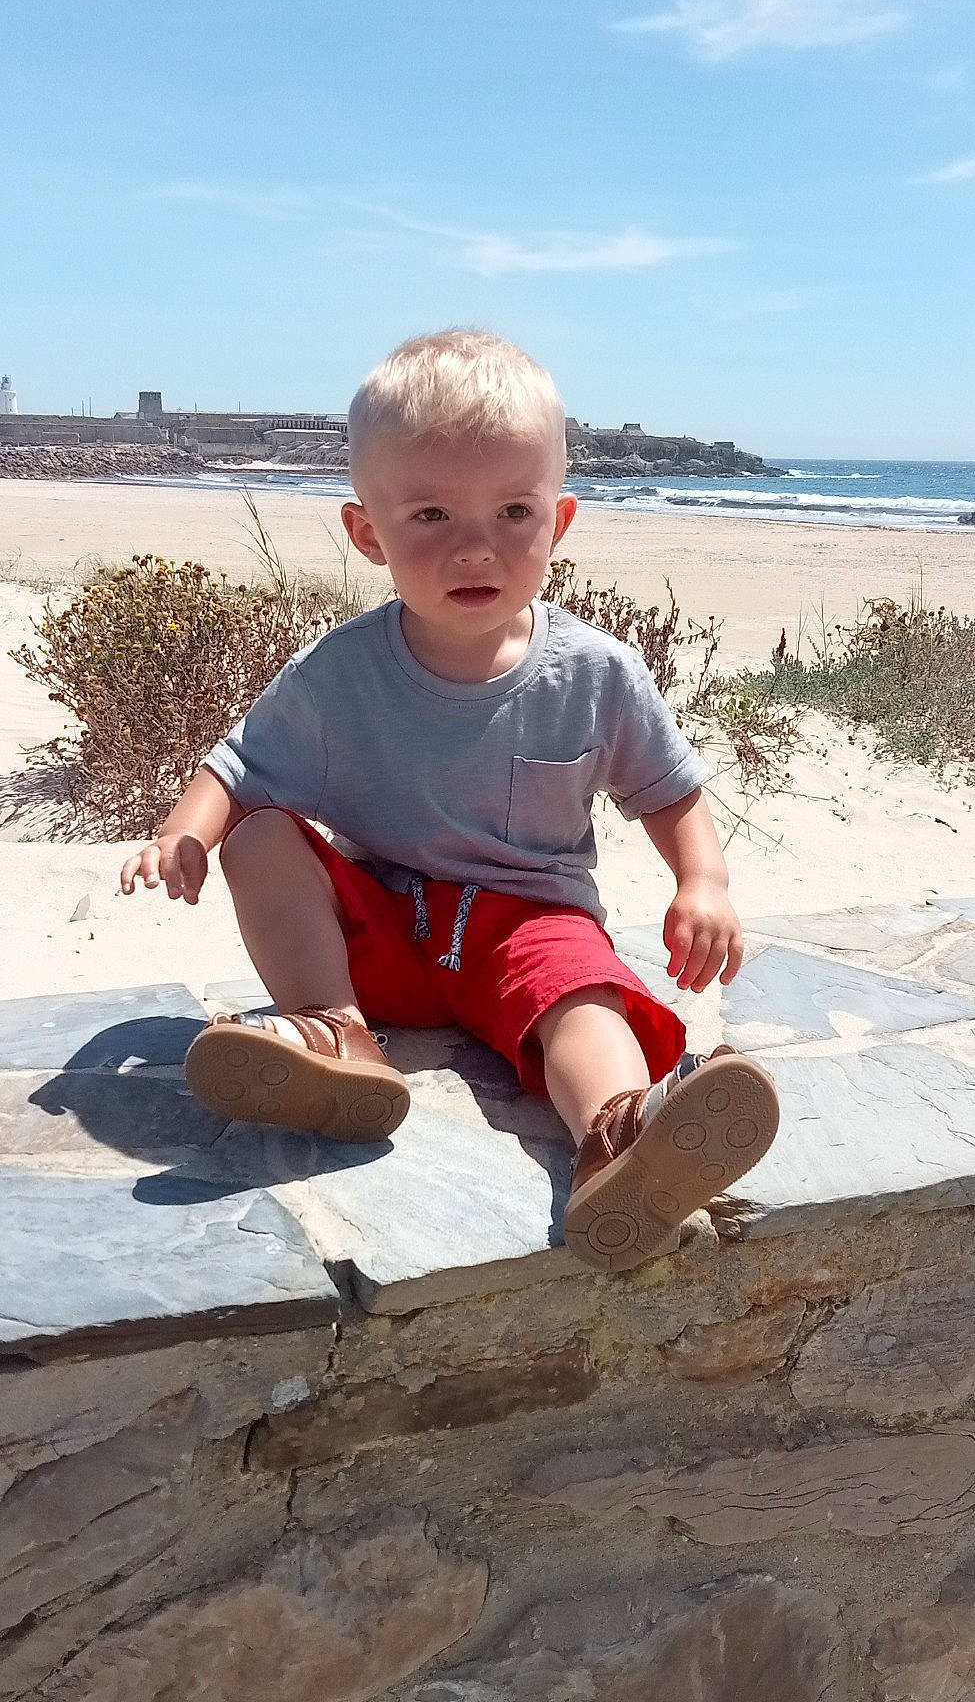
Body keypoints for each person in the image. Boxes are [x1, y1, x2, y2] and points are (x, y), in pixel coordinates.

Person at [121, 329, 778, 1274]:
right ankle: (335, 1032)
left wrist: (703, 881)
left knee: (583, 996)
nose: (477, 546)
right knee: (260, 836)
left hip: (526, 926)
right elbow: (240, 767)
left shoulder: (594, 673)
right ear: (367, 533)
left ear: (559, 521)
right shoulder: (339, 672)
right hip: (382, 928)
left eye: (514, 510)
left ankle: (619, 1142)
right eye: (430, 514)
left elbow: (667, 789)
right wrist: (185, 830)